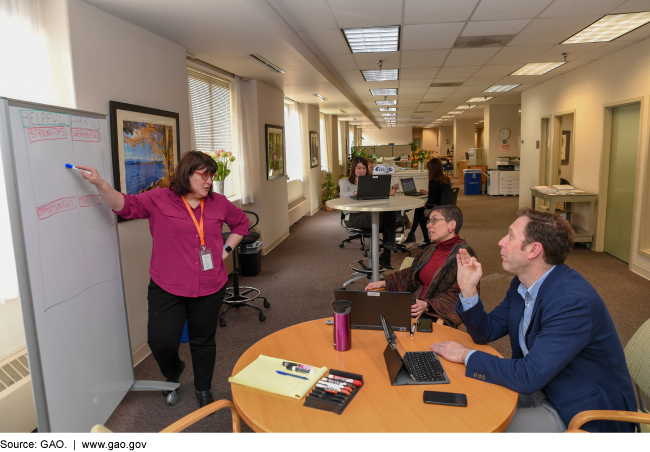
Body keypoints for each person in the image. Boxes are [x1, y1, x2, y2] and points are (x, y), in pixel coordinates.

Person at [432, 209, 638, 432]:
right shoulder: (522, 284)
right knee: (464, 400)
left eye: (510, 236)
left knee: (477, 429)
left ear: (533, 250)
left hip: (578, 410)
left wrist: (465, 355)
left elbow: (528, 376)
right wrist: (468, 290)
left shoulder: (571, 302)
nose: (501, 242)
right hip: (542, 387)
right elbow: (486, 332)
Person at [77, 151, 250, 409]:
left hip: (210, 284)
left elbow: (241, 224)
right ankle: (174, 370)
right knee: (160, 341)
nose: (209, 182)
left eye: (211, 176)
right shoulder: (159, 198)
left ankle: (204, 388)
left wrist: (224, 252)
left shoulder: (219, 202)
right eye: (204, 175)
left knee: (203, 340)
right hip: (167, 285)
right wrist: (101, 184)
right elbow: (123, 205)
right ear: (186, 173)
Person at [365, 205, 476, 327]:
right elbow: (412, 273)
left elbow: (462, 294)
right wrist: (385, 282)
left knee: (377, 324)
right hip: (411, 307)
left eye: (435, 220)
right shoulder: (430, 249)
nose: (428, 225)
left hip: (434, 316)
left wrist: (428, 305)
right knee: (367, 314)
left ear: (452, 225)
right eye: (429, 221)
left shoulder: (463, 254)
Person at [339, 157, 398, 269]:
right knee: (386, 219)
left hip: (368, 215)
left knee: (387, 214)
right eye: (359, 168)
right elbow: (343, 195)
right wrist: (357, 192)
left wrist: (385, 191)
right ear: (353, 169)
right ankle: (390, 245)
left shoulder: (369, 181)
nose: (362, 170)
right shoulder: (344, 182)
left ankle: (386, 256)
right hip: (352, 217)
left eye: (364, 168)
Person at [405, 158, 451, 248]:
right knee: (420, 211)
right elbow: (442, 193)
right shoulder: (446, 179)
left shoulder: (434, 180)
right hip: (446, 207)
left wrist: (424, 204)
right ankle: (414, 235)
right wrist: (429, 192)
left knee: (419, 212)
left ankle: (418, 236)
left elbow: (431, 201)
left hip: (437, 208)